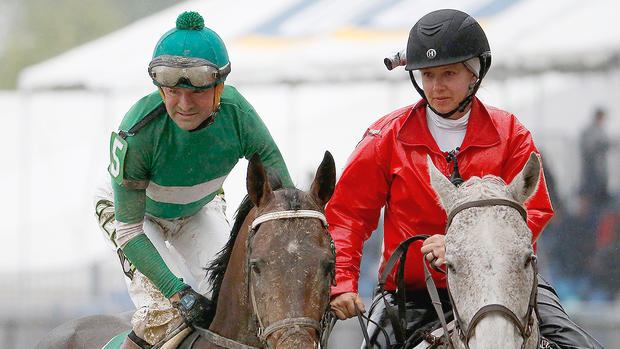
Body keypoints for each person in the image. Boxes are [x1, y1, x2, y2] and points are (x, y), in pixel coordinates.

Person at [326, 9, 603, 349]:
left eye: (449, 73)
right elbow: (347, 216)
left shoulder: (512, 133)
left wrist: (463, 248)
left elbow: (537, 210)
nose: (436, 86)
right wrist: (342, 283)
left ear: (475, 74)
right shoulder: (384, 137)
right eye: (427, 75)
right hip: (412, 294)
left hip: (505, 284)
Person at [93, 11, 292, 349]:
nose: (184, 105)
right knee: (165, 314)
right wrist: (176, 291)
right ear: (159, 87)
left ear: (220, 88)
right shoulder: (137, 132)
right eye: (172, 91)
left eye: (197, 92)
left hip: (199, 206)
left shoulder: (240, 116)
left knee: (239, 298)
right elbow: (130, 232)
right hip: (136, 220)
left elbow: (283, 203)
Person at [579, 107, 611, 208]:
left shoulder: (600, 130)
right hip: (592, 170)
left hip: (599, 171)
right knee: (593, 195)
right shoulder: (591, 131)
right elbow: (589, 148)